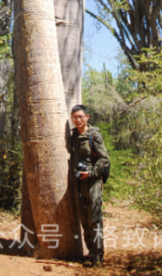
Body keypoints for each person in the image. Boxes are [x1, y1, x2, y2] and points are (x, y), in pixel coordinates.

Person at [68, 104, 109, 267]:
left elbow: (103, 159)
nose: (78, 120)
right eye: (75, 117)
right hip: (78, 183)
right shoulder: (72, 136)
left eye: (80, 117)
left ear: (87, 117)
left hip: (92, 183)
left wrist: (91, 172)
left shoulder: (94, 135)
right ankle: (91, 252)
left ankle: (98, 256)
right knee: (84, 220)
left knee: (94, 219)